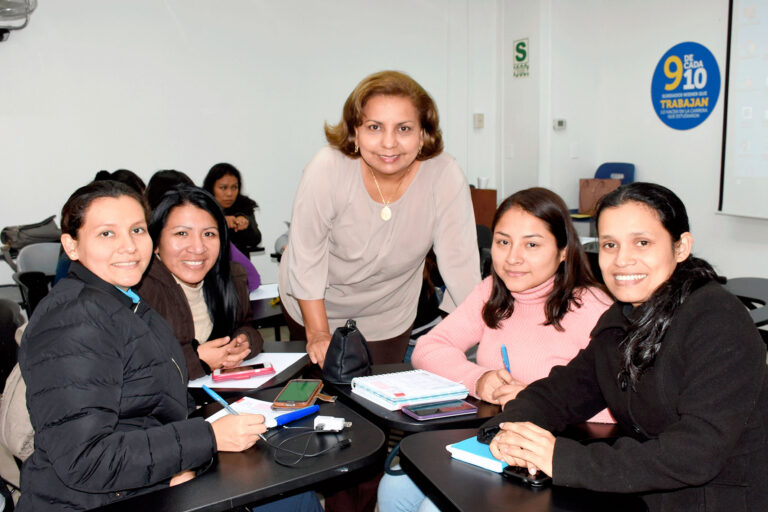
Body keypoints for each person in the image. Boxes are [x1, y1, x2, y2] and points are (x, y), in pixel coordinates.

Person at [483, 183, 768, 512]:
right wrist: (510, 429)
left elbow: (696, 454)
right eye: (609, 244)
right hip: (641, 492)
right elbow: (564, 390)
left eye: (642, 243)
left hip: (717, 500)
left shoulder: (717, 319)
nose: (622, 260)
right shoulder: (622, 315)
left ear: (681, 247)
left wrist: (559, 458)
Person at [17, 181, 268, 511]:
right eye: (107, 234)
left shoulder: (120, 300)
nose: (129, 246)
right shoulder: (76, 320)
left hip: (139, 482)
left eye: (137, 230)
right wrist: (208, 438)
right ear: (71, 245)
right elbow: (86, 460)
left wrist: (175, 468)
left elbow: (140, 412)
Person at [378, 188, 613, 512]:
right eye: (503, 242)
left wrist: (538, 397)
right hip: (488, 435)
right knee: (393, 488)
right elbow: (429, 347)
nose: (513, 257)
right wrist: (479, 379)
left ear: (562, 251)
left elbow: (621, 406)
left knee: (433, 508)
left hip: (549, 452)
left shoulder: (592, 308)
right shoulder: (492, 291)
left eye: (531, 244)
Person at [278, 70, 481, 368]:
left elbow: (461, 264)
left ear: (423, 134)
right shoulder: (328, 168)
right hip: (314, 306)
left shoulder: (444, 174)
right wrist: (319, 332)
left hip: (389, 314)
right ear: (355, 132)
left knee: (378, 401)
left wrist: (471, 340)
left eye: (404, 129)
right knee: (321, 398)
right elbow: (306, 256)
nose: (389, 143)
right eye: (374, 127)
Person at [135, 186, 264, 380]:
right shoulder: (140, 289)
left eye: (209, 234)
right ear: (156, 242)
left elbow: (245, 324)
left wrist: (245, 341)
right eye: (181, 234)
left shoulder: (231, 277)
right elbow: (136, 367)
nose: (198, 247)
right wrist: (198, 361)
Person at [203, 163, 262, 257]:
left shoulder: (244, 205)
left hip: (238, 266)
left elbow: (256, 240)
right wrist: (219, 221)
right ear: (211, 188)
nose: (229, 193)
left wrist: (246, 222)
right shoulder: (200, 205)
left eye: (234, 187)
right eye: (223, 187)